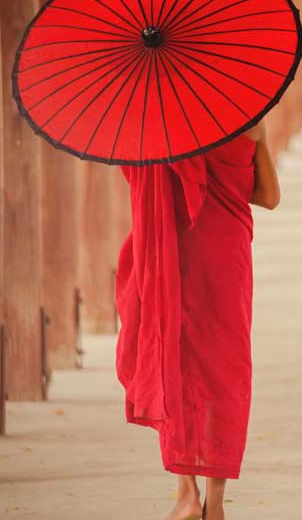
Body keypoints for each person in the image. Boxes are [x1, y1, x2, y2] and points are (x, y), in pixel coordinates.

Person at [115, 121, 280, 520]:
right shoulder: (250, 117)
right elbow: (269, 196)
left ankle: (186, 493)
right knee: (225, 370)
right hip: (227, 254)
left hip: (173, 250)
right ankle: (216, 502)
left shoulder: (154, 122)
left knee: (175, 357)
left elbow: (141, 183)